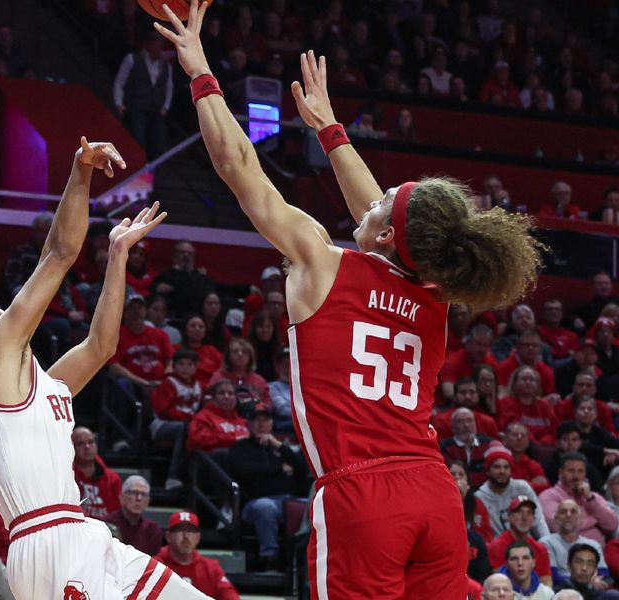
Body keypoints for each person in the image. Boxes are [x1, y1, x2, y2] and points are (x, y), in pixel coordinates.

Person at [157, 6, 544, 596]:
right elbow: (394, 224)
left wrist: (201, 71)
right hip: (436, 494)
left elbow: (239, 167)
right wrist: (330, 130)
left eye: (383, 200)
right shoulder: (436, 289)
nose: (373, 197)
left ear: (388, 234)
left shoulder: (320, 260)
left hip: (363, 496)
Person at [0, 136, 209, 599]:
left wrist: (118, 255)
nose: (4, 319)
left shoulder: (42, 385)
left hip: (84, 532)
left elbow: (102, 345)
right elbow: (59, 254)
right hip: (43, 542)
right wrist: (81, 171)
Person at [228, 402, 308, 570]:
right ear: (248, 424)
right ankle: (270, 557)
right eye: (256, 420)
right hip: (255, 502)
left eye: (266, 420)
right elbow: (245, 472)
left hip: (290, 500)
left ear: (272, 423)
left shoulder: (282, 448)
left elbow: (303, 467)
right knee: (265, 507)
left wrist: (279, 445)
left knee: (312, 506)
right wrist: (280, 469)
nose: (261, 424)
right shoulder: (241, 447)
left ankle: (303, 559)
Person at [113, 30, 173, 159]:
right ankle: (135, 171)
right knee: (138, 141)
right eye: (157, 43)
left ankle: (149, 175)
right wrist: (119, 103)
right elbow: (119, 82)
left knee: (156, 146)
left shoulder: (166, 65)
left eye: (161, 44)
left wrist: (165, 107)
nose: (159, 47)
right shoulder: (132, 59)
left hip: (156, 109)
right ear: (149, 44)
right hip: (136, 107)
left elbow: (168, 87)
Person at [538, 452, 618, 547]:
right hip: (568, 551)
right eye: (571, 471)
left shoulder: (592, 497)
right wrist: (595, 520)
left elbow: (612, 525)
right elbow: (560, 526)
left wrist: (590, 499)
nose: (576, 476)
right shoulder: (549, 496)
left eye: (580, 471)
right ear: (560, 472)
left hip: (599, 552)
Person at [154, 512, 240, 600]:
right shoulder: (155, 567)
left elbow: (231, 597)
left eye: (191, 531)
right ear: (168, 536)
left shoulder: (211, 569)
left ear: (198, 537)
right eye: (180, 530)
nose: (186, 536)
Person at [151, 348, 202, 490]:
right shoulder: (168, 383)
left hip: (189, 424)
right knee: (184, 428)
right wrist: (191, 418)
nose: (185, 368)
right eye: (181, 364)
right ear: (174, 366)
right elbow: (164, 411)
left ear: (195, 367)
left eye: (190, 364)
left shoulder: (198, 385)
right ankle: (173, 477)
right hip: (162, 425)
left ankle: (194, 480)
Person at [476, 445, 549, 539]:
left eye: (506, 467)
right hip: (498, 547)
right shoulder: (479, 497)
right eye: (496, 467)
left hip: (527, 544)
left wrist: (545, 545)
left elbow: (539, 521)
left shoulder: (522, 488)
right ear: (488, 471)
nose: (502, 471)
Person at [539, 500, 610, 587]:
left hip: (591, 591)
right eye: (563, 512)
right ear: (556, 519)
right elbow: (553, 577)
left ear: (580, 519)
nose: (568, 515)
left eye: (573, 511)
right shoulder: (546, 543)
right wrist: (587, 582)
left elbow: (605, 575)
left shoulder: (593, 545)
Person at [487, 496, 553, 584]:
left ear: (533, 519)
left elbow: (546, 582)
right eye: (519, 512)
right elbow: (498, 582)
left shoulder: (541, 549)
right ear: (509, 517)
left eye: (529, 513)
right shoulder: (496, 547)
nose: (524, 518)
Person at [152, 241, 216, 319]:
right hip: (171, 319)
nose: (186, 256)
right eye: (182, 252)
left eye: (190, 253)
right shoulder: (164, 277)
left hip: (197, 321)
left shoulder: (203, 279)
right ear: (174, 256)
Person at [72, 426, 122, 520]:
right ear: (71, 447)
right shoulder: (66, 476)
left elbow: (118, 514)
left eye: (91, 442)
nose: (87, 447)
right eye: (80, 444)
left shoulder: (113, 479)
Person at [105, 475, 163, 557]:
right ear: (122, 496)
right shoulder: (106, 524)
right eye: (134, 493)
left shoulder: (152, 530)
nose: (138, 498)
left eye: (143, 494)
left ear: (148, 501)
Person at [187, 379, 249, 453]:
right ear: (213, 398)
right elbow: (197, 440)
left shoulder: (243, 421)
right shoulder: (203, 417)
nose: (226, 396)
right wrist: (234, 439)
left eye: (230, 393)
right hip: (215, 459)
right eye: (221, 393)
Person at [440, 408, 493, 486]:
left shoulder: (487, 444)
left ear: (475, 424)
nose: (466, 425)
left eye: (469, 420)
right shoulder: (445, 447)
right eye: (460, 422)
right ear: (453, 427)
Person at [503, 422, 551, 495]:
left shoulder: (534, 465)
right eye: (515, 435)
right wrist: (531, 484)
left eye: (523, 435)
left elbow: (546, 487)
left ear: (528, 442)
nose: (519, 438)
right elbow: (504, 488)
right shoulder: (499, 463)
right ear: (505, 440)